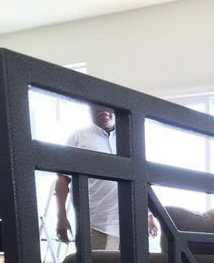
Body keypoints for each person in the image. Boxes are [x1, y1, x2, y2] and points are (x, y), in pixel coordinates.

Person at [55, 104, 157, 248]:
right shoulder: (78, 136)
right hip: (96, 225)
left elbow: (141, 180)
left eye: (107, 106)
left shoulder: (130, 137)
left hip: (131, 224)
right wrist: (61, 216)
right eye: (96, 106)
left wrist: (149, 215)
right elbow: (62, 179)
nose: (103, 110)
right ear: (89, 109)